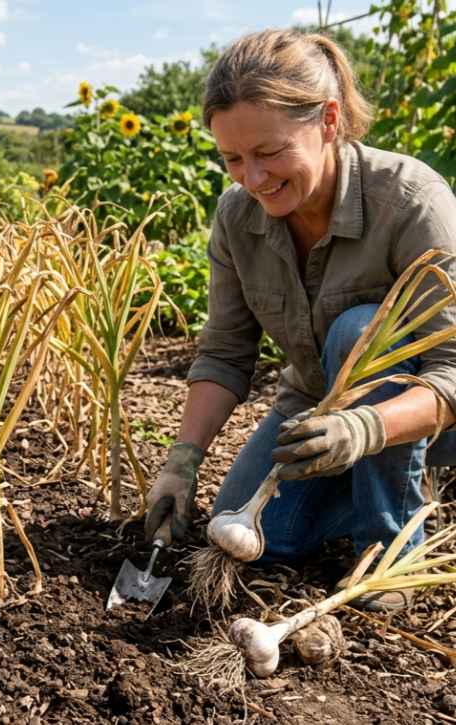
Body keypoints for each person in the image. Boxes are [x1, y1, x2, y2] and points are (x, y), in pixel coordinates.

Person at [143, 29, 456, 612]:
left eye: (268, 153)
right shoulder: (238, 217)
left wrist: (365, 429)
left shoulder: (411, 201)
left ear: (329, 121)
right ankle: (364, 480)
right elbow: (225, 354)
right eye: (233, 159)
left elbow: (452, 372)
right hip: (314, 408)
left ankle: (390, 545)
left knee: (360, 330)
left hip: (422, 412)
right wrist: (182, 460)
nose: (252, 178)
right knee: (253, 536)